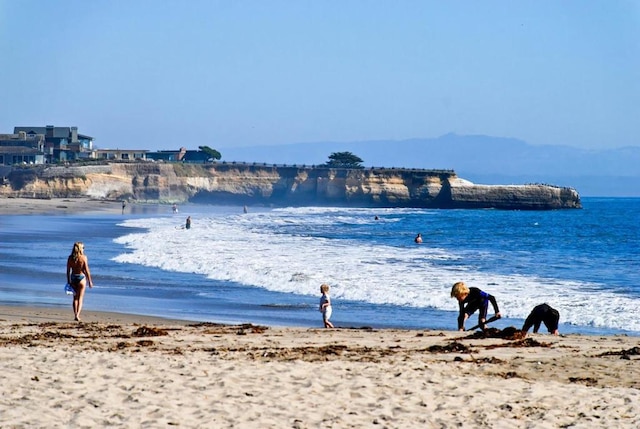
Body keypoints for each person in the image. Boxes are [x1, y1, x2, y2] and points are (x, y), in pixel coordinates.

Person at [66, 241, 94, 322]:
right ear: (81, 248)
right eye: (83, 247)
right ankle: (78, 315)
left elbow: (68, 271)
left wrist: (68, 281)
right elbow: (87, 270)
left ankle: (75, 314)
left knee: (75, 298)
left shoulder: (70, 258)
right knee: (80, 298)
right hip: (81, 278)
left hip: (73, 277)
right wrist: (90, 281)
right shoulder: (84, 257)